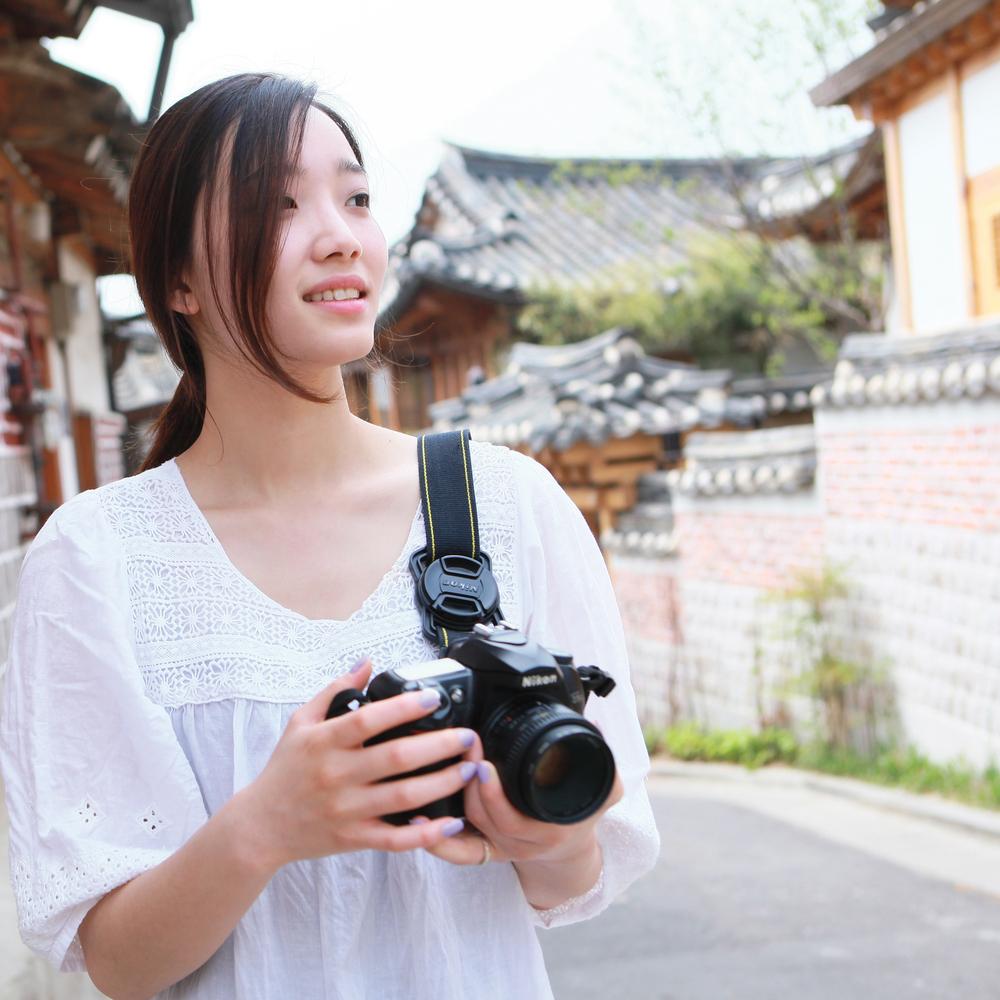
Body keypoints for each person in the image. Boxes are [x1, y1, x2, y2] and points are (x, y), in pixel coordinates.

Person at [0, 72, 660, 999]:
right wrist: (266, 824)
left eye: (354, 197)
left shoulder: (506, 505)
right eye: (278, 207)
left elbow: (572, 880)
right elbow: (119, 962)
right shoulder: (99, 558)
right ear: (179, 280)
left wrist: (545, 836)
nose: (341, 234)